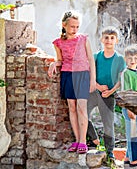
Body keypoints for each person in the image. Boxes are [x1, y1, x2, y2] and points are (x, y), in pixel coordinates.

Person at [48, 10, 96, 154]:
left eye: (77, 26)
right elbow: (60, 60)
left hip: (82, 75)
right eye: (72, 26)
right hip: (67, 74)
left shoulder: (84, 39)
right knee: (72, 107)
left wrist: (92, 80)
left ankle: (83, 141)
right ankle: (77, 139)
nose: (75, 30)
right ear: (64, 25)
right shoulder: (58, 43)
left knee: (82, 108)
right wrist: (53, 64)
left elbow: (91, 59)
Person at [87, 26, 126, 160]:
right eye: (106, 38)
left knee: (108, 125)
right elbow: (90, 74)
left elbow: (121, 79)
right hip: (94, 92)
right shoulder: (96, 57)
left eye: (112, 38)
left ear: (116, 40)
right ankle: (93, 139)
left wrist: (110, 91)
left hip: (109, 96)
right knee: (82, 114)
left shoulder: (120, 59)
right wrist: (98, 86)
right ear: (101, 39)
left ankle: (109, 153)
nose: (109, 40)